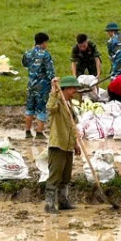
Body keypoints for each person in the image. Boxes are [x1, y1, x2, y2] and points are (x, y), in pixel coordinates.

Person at [45, 75, 81, 214]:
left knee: (65, 177)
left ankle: (63, 202)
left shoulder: (70, 105)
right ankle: (49, 205)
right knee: (55, 176)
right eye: (72, 89)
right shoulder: (58, 103)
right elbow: (50, 107)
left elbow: (72, 127)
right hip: (58, 145)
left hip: (68, 145)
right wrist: (53, 91)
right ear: (65, 89)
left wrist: (76, 144)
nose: (75, 91)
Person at [21, 33, 56, 140]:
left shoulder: (28, 53)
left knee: (30, 108)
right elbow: (50, 72)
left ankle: (27, 131)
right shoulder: (45, 55)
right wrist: (54, 83)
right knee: (41, 108)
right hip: (43, 85)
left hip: (31, 85)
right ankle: (39, 132)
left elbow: (25, 64)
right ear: (44, 42)